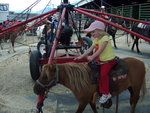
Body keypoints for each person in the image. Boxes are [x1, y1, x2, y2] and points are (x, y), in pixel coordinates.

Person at [75, 20, 116, 104]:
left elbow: (100, 50)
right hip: (100, 59)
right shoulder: (96, 40)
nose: (92, 34)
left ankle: (106, 93)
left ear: (100, 31)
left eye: (93, 32)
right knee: (90, 68)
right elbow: (89, 49)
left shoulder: (105, 38)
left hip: (108, 60)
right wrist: (81, 56)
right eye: (91, 32)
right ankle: (94, 88)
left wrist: (92, 57)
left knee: (103, 75)